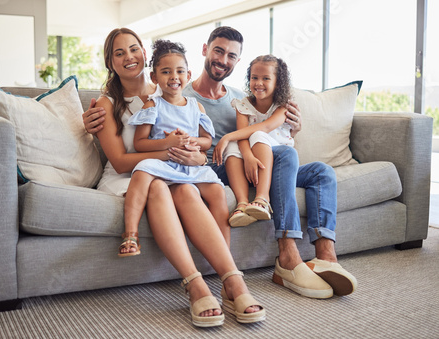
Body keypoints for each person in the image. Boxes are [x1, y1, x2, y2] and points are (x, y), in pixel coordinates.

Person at [84, 26, 357, 299]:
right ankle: (286, 256)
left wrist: (291, 130)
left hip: (247, 158)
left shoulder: (239, 98)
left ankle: (326, 258)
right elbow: (150, 137)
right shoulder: (177, 91)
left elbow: (255, 131)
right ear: (204, 50)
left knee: (318, 170)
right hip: (214, 166)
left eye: (231, 55)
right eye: (218, 50)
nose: (223, 60)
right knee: (279, 157)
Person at [89, 27, 265, 327]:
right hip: (131, 174)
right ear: (110, 62)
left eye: (133, 49)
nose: (128, 57)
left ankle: (232, 281)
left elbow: (201, 142)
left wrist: (195, 157)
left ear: (145, 55)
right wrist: (170, 151)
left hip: (174, 169)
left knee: (186, 190)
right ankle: (195, 285)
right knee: (158, 185)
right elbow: (119, 162)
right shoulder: (106, 104)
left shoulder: (171, 92)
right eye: (119, 53)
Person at [121, 39, 231, 256]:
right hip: (163, 163)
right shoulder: (153, 105)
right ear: (154, 77)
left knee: (218, 191)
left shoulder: (195, 106)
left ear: (188, 76)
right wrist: (169, 143)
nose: (174, 77)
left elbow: (207, 140)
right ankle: (130, 235)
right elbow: (140, 143)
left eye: (180, 71)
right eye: (166, 71)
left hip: (191, 165)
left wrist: (190, 140)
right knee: (141, 173)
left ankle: (225, 253)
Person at [212, 54, 293, 228]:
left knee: (256, 135)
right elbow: (241, 135)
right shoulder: (244, 105)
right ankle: (242, 204)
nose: (258, 83)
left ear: (278, 82)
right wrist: (247, 156)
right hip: (253, 153)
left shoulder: (283, 106)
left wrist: (226, 137)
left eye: (266, 78)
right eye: (254, 78)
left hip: (278, 154)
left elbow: (264, 128)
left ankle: (262, 199)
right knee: (233, 146)